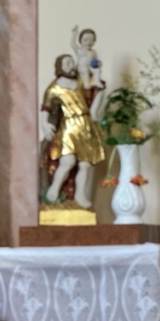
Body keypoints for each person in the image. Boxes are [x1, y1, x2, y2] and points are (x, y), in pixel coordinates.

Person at [40, 53, 108, 208]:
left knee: (85, 165)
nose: (71, 65)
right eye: (67, 63)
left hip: (85, 125)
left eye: (72, 62)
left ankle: (80, 194)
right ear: (60, 67)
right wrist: (44, 124)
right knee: (68, 161)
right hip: (69, 126)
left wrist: (96, 73)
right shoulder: (54, 88)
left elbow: (97, 88)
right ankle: (55, 188)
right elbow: (46, 107)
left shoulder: (80, 81)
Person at [70, 26, 102, 90]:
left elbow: (95, 60)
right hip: (81, 66)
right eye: (85, 40)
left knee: (97, 70)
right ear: (80, 41)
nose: (88, 42)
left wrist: (98, 63)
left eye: (91, 40)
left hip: (91, 66)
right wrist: (74, 34)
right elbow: (72, 43)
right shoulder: (79, 50)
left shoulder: (93, 52)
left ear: (94, 41)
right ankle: (86, 83)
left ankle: (96, 81)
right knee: (84, 70)